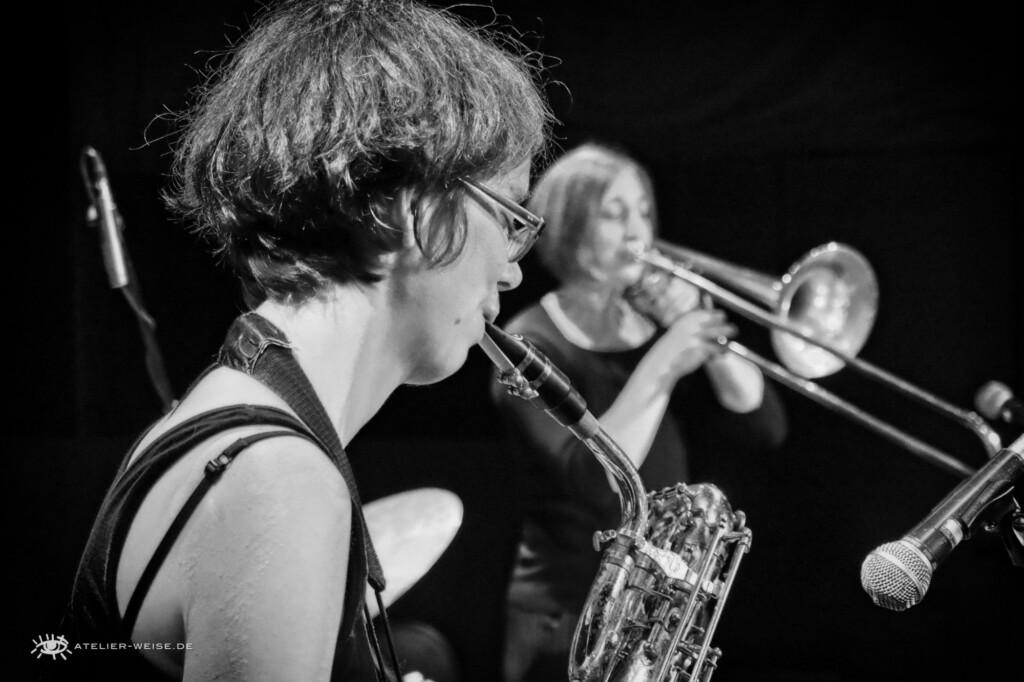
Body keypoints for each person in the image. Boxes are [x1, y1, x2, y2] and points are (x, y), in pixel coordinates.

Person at [56, 1, 552, 680]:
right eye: (511, 215)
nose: (514, 268)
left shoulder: (236, 419)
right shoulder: (280, 481)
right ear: (416, 210)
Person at [491, 143, 788, 681]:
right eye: (614, 213)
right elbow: (595, 479)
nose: (638, 232)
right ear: (571, 227)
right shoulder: (529, 343)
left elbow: (763, 425)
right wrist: (666, 360)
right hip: (566, 616)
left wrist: (705, 332)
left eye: (644, 212)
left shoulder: (652, 324)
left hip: (655, 609)